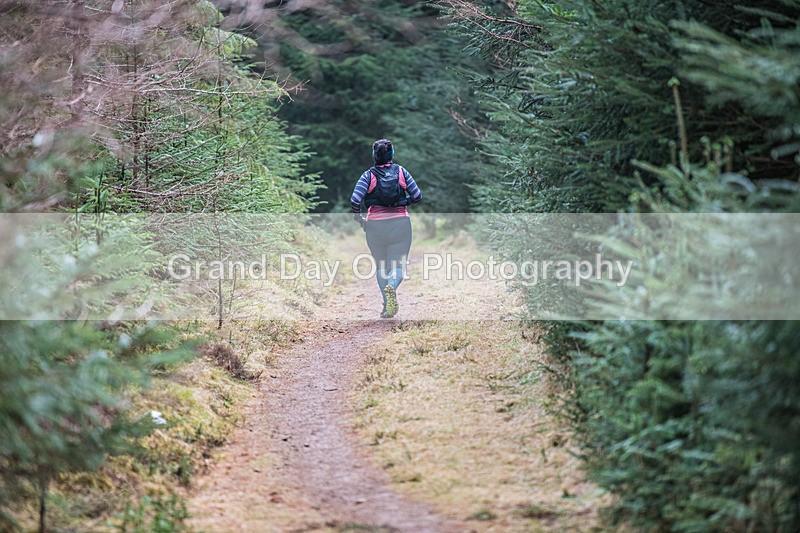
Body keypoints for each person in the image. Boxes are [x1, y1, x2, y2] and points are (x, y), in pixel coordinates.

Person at [350, 138, 422, 318]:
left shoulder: (368, 176)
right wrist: (403, 201)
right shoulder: (401, 172)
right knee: (398, 265)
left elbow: (355, 200)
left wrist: (360, 219)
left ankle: (386, 305)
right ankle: (392, 286)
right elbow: (417, 195)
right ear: (392, 154)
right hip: (400, 224)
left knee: (381, 266)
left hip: (375, 226)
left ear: (374, 155)